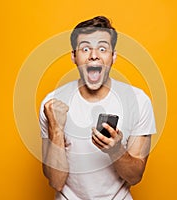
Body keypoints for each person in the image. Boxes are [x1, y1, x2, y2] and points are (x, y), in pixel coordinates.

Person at [39, 16, 156, 200]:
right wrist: (56, 128)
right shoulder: (52, 104)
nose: (94, 55)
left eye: (102, 48)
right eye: (85, 49)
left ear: (113, 56)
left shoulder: (139, 101)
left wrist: (115, 150)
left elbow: (135, 177)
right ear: (74, 57)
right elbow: (56, 181)